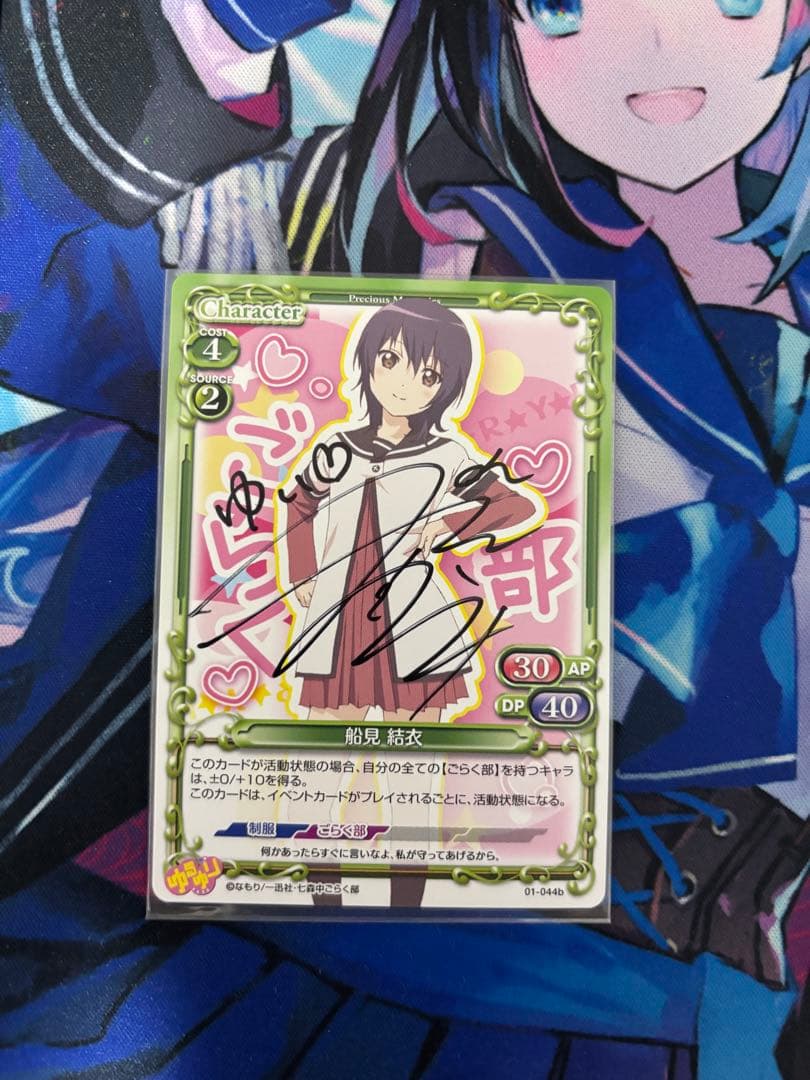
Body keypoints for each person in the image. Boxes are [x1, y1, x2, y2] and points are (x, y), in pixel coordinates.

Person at [1, 1, 808, 1075]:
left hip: (640, 1016)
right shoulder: (321, 230)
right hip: (245, 975)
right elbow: (35, 279)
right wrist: (203, 26)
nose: (655, 44)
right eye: (565, 5)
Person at [276, 297, 545, 722]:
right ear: (368, 360)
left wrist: (449, 522)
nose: (404, 385)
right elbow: (300, 502)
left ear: (445, 388)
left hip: (409, 612)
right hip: (339, 614)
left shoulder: (446, 455)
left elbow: (515, 504)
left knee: (413, 740)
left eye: (428, 376)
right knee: (326, 740)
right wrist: (303, 571)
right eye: (390, 360)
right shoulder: (339, 446)